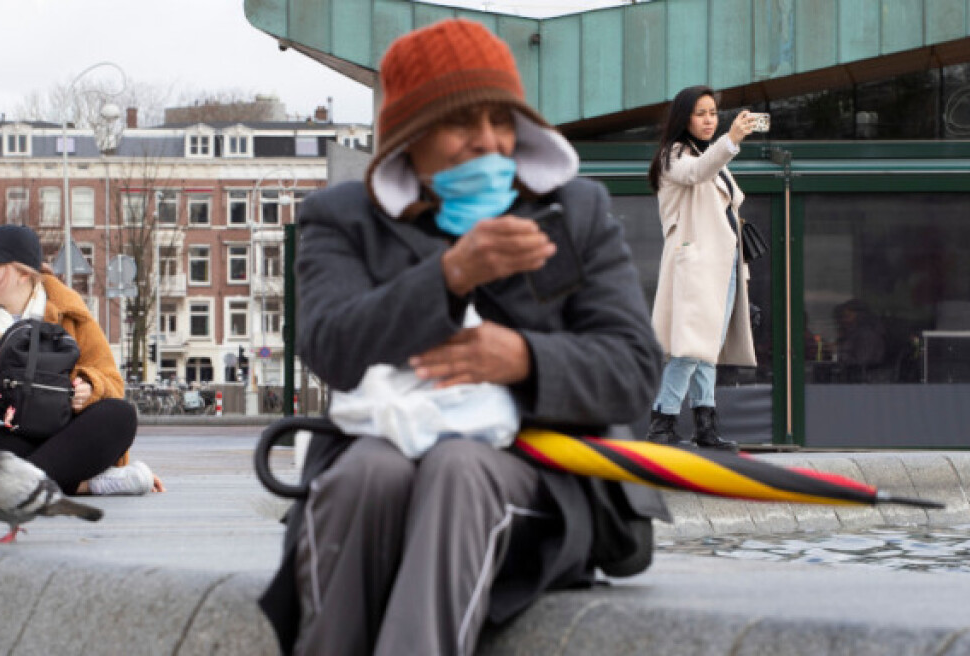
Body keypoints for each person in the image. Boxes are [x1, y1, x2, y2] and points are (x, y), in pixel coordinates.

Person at [258, 19, 667, 655]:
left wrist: (524, 359)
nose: (488, 142)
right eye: (460, 123)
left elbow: (634, 369)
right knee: (369, 473)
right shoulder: (344, 220)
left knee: (457, 468)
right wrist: (448, 277)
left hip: (537, 478)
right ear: (409, 139)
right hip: (379, 455)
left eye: (502, 121)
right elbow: (330, 345)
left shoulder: (573, 212)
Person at [0, 225, 164, 499]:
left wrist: (89, 388)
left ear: (23, 273)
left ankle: (3, 487)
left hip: (56, 433)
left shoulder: (73, 315)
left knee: (120, 416)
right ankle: (83, 483)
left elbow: (111, 382)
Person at [645, 86, 758, 451]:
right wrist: (732, 140)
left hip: (722, 265)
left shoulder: (708, 156)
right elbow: (695, 174)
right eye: (701, 113)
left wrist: (724, 146)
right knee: (691, 348)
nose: (710, 120)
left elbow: (723, 191)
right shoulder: (673, 155)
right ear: (684, 118)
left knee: (708, 347)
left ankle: (705, 425)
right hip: (696, 265)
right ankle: (662, 423)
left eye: (713, 113)